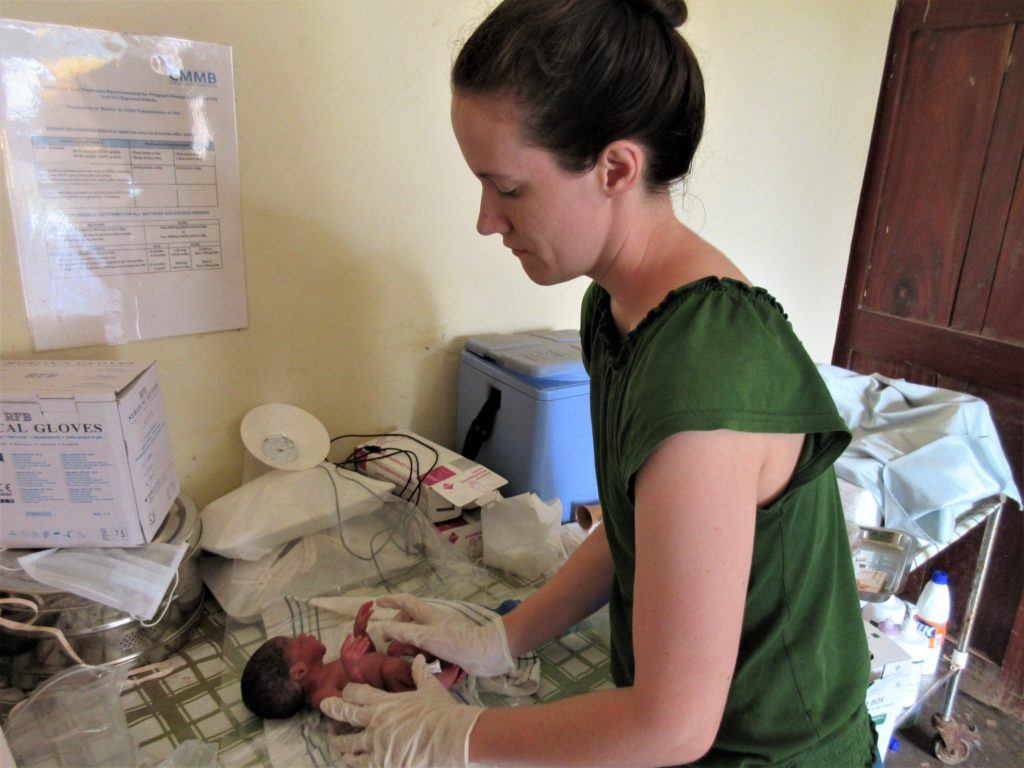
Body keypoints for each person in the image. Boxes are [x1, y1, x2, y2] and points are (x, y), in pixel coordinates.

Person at [321, 0, 877, 765]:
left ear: (616, 168)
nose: (487, 220)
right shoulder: (614, 309)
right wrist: (503, 634)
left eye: (509, 190)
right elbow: (638, 526)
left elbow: (671, 726)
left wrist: (457, 737)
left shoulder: (704, 370)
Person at [240, 600, 461, 719]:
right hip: (396, 692)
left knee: (394, 649)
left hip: (395, 670)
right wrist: (353, 669)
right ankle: (443, 679)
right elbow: (361, 706)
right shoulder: (321, 696)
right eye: (294, 642)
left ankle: (441, 663)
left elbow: (371, 658)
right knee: (393, 666)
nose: (301, 635)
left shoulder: (330, 668)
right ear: (299, 671)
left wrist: (361, 633)